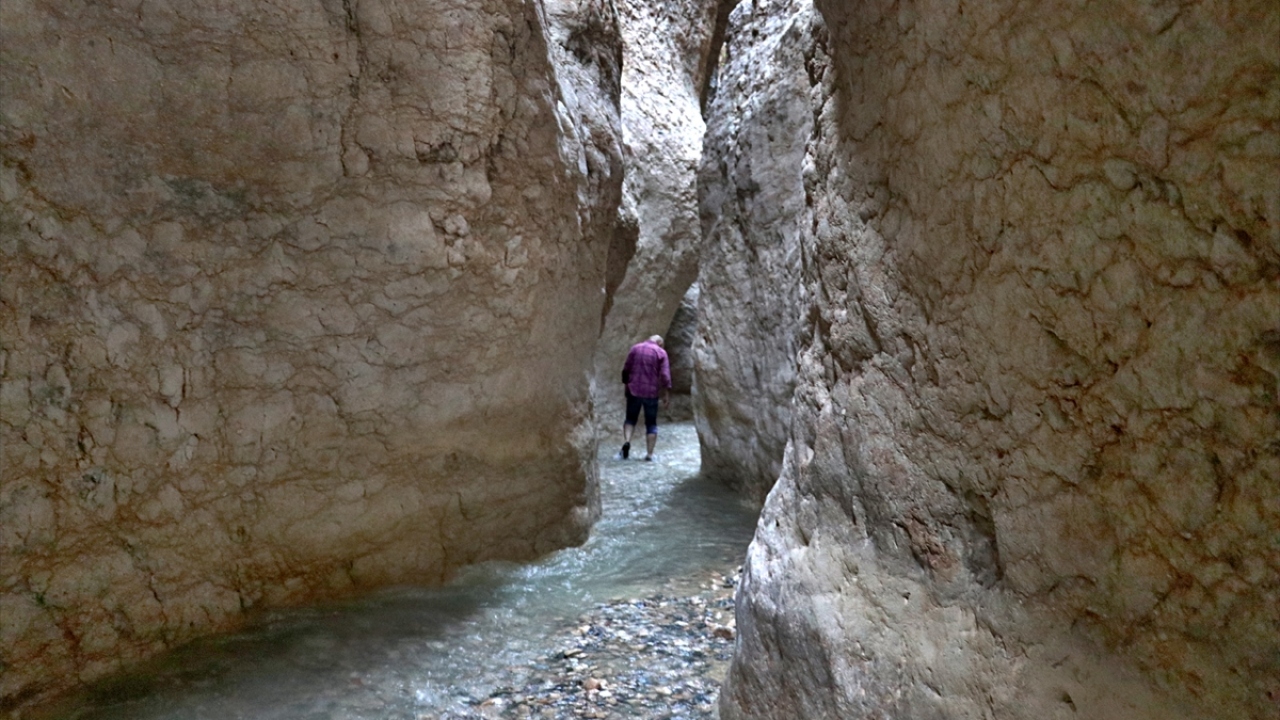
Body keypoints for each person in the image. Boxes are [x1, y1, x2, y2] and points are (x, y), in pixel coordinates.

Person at [618, 335, 671, 462]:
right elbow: (665, 375)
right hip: (651, 393)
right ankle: (649, 454)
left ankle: (627, 442)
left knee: (630, 419)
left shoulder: (635, 348)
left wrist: (626, 383)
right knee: (651, 424)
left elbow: (626, 369)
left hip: (634, 390)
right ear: (659, 342)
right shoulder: (661, 352)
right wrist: (666, 392)